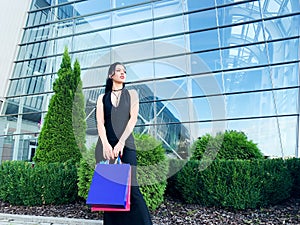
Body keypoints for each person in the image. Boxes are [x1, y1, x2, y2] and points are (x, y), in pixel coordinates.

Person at [95, 62, 153, 225]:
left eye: (124, 71)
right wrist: (106, 145)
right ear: (110, 74)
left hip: (126, 144)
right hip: (105, 146)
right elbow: (100, 122)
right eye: (118, 70)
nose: (122, 73)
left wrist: (121, 143)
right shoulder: (102, 98)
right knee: (109, 191)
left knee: (132, 188)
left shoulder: (132, 94)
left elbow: (133, 119)